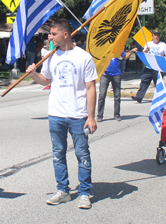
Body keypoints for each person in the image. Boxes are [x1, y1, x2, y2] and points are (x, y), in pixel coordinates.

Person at [26, 19, 97, 209]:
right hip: (56, 113)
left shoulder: (84, 57)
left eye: (53, 34)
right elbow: (46, 80)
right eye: (50, 34)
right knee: (58, 154)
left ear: (65, 34)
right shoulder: (51, 56)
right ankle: (63, 190)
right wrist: (34, 74)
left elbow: (91, 88)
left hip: (78, 114)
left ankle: (84, 192)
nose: (50, 37)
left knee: (82, 154)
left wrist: (91, 116)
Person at [131, 30, 166, 103]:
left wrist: (163, 58)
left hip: (158, 67)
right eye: (155, 35)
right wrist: (146, 50)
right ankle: (139, 97)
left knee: (158, 84)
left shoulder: (162, 44)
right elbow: (143, 54)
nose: (156, 36)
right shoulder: (148, 44)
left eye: (157, 35)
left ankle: (161, 98)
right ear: (152, 36)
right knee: (144, 82)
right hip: (149, 67)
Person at [97, 49, 132, 122]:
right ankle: (100, 115)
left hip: (116, 74)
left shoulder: (117, 47)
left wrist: (131, 51)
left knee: (117, 95)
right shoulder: (104, 47)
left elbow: (125, 57)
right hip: (105, 74)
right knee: (102, 95)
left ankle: (117, 114)